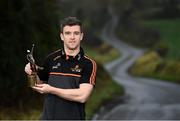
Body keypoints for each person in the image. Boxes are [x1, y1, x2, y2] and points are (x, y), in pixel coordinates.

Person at [24, 16, 97, 120]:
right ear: (62, 36)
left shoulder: (88, 64)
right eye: (68, 33)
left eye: (76, 33)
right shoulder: (51, 59)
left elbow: (82, 96)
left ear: (81, 36)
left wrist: (51, 89)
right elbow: (39, 86)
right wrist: (32, 72)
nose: (72, 37)